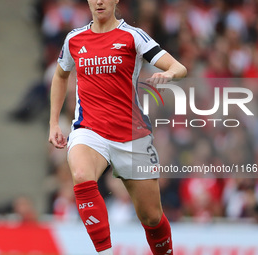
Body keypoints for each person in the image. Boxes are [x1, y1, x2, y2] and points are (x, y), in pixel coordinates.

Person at [48, 0, 187, 254]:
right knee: (80, 174)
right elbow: (60, 75)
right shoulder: (74, 39)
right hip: (88, 130)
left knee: (152, 217)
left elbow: (179, 67)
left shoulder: (133, 36)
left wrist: (168, 74)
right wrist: (54, 122)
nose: (99, 1)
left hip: (131, 136)